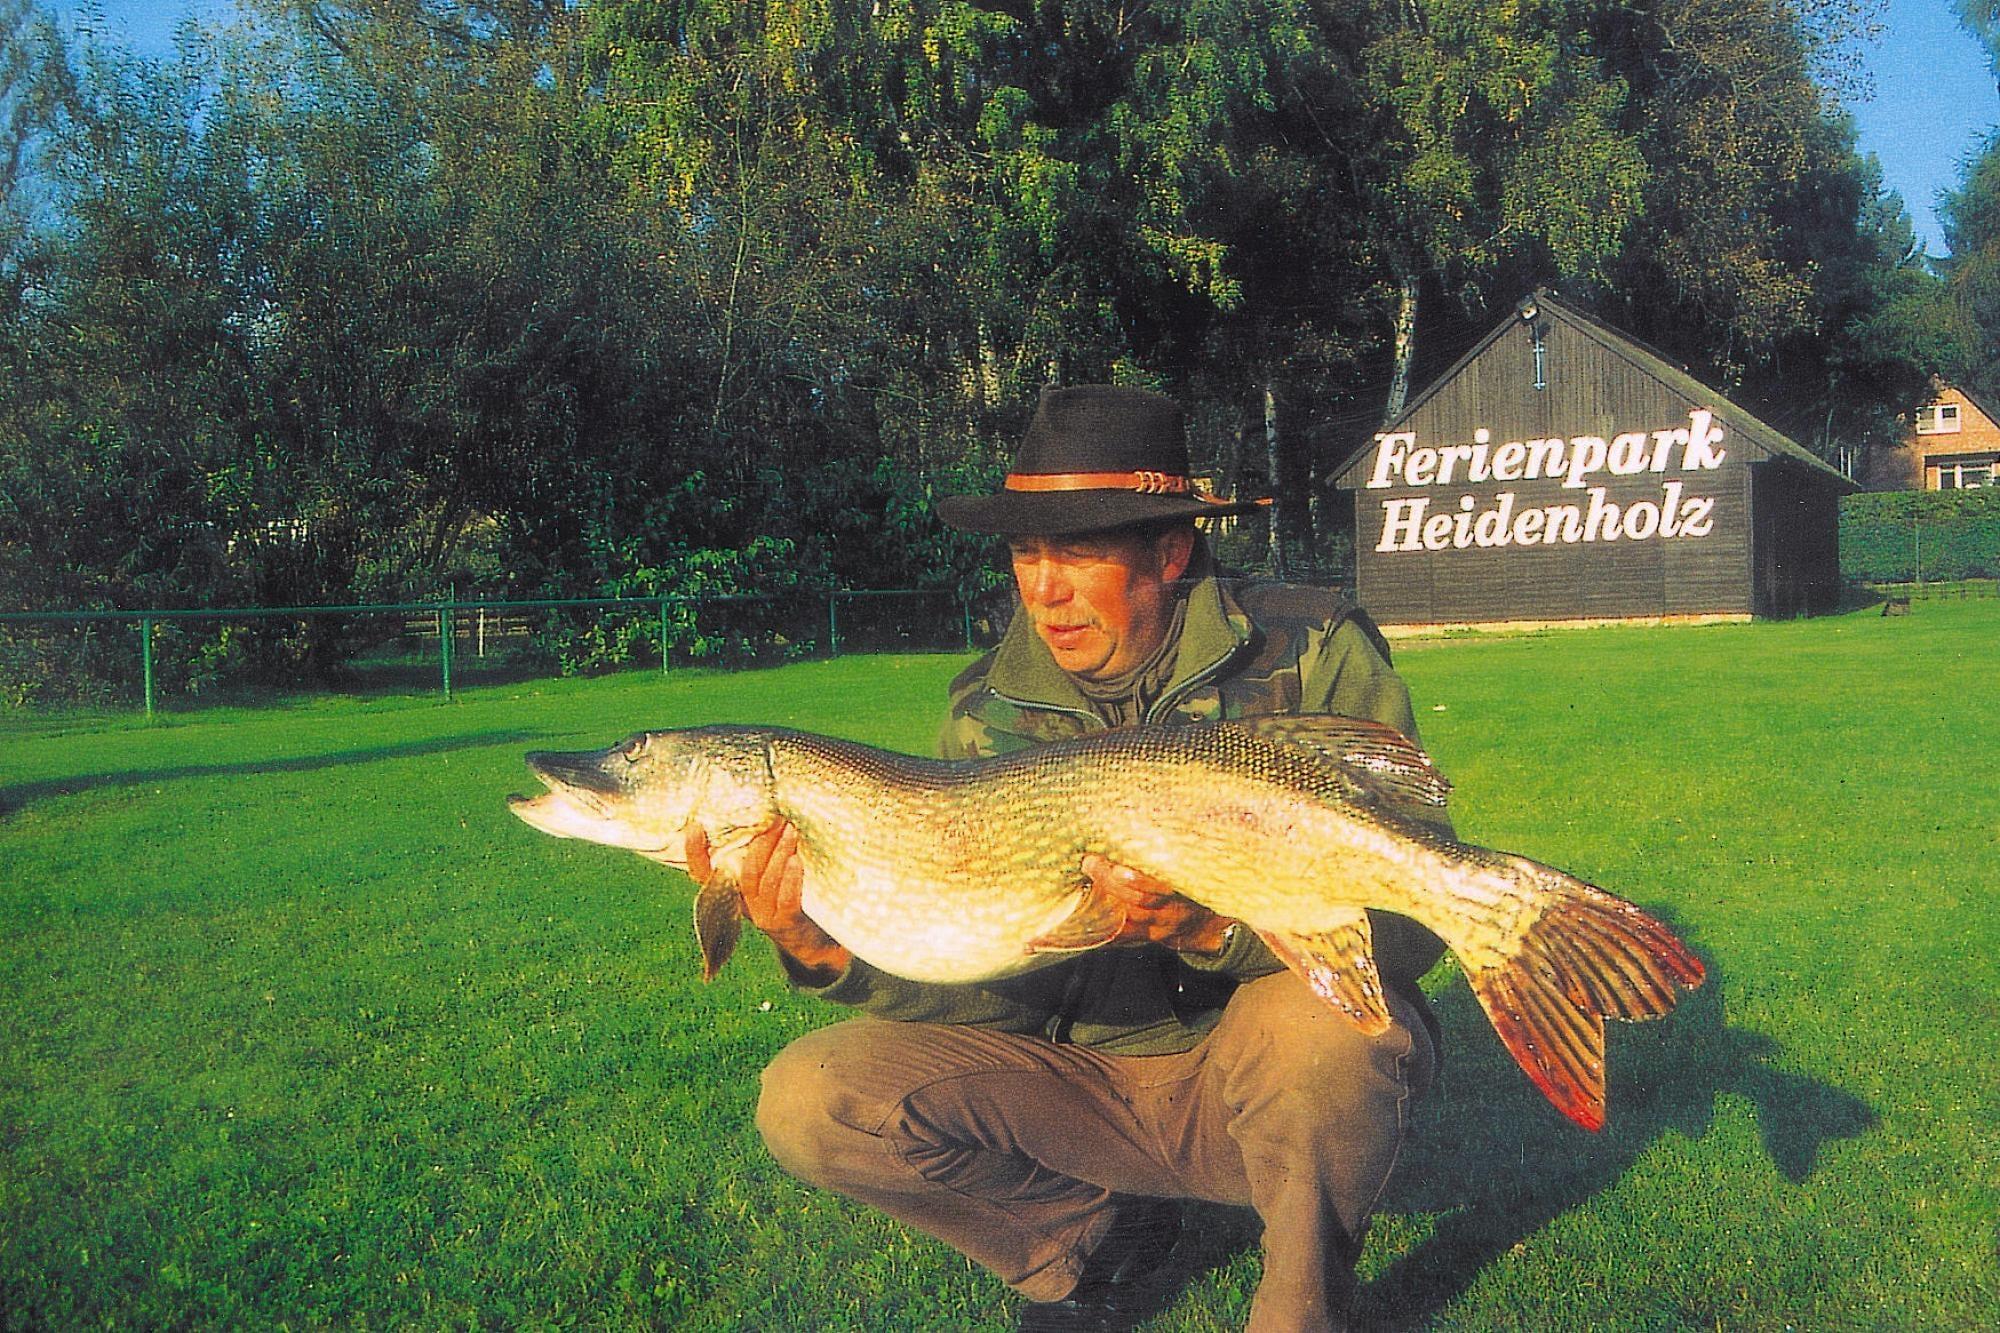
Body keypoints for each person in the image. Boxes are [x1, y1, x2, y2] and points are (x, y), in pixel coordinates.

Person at [735, 385, 1447, 1331]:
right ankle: (1095, 1242)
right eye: (1026, 552)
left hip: (1253, 1075)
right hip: (1085, 1091)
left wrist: (1213, 930)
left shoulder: (1312, 651)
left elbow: (1415, 924)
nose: (1044, 589)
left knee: (1327, 1031)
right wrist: (822, 950)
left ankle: (1300, 1304)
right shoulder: (985, 713)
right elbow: (994, 993)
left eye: (1076, 551)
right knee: (810, 1097)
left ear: (1170, 551)